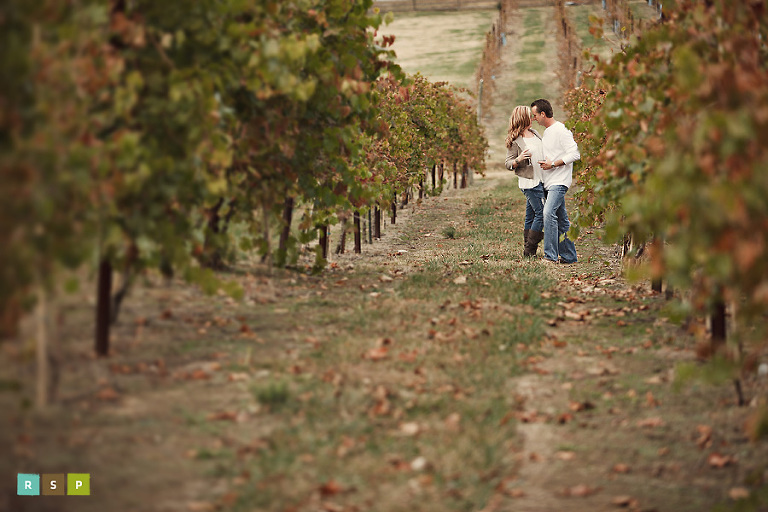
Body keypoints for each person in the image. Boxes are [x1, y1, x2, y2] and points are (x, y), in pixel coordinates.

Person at [530, 98, 580, 264]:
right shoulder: (548, 132)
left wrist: (553, 164)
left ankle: (550, 256)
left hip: (559, 181)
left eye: (535, 115)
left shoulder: (561, 130)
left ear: (543, 114)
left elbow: (575, 154)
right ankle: (569, 257)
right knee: (562, 220)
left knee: (548, 213)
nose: (534, 119)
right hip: (549, 181)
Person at [505, 106, 546, 258]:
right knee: (542, 214)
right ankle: (530, 249)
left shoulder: (535, 133)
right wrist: (519, 159)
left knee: (531, 215)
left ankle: (528, 253)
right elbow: (508, 164)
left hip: (541, 179)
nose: (533, 118)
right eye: (530, 116)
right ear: (523, 118)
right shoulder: (515, 140)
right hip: (530, 183)